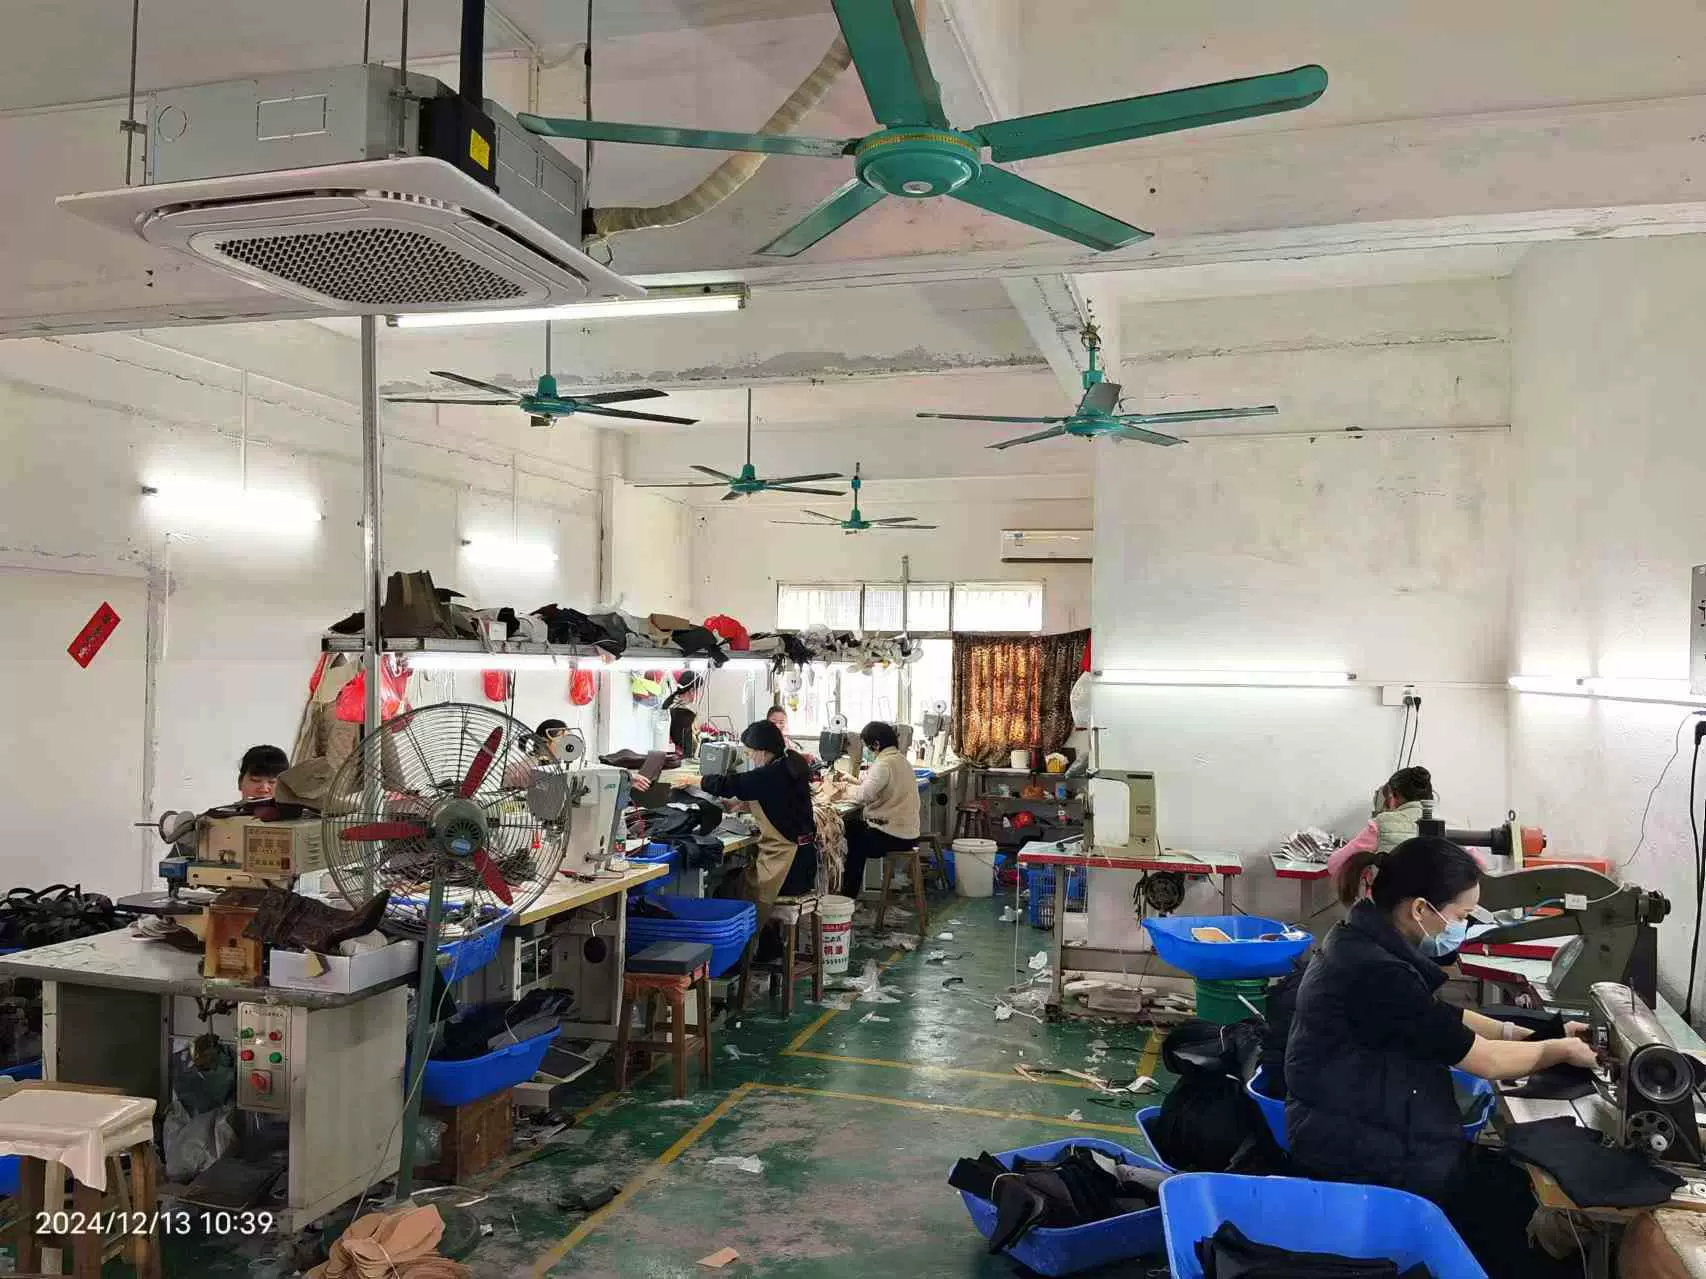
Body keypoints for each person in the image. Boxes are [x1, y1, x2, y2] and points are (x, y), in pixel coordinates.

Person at [1286, 837, 1599, 1278]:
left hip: (1360, 1120)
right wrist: (1558, 1050)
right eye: (1461, 916)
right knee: (1522, 1221)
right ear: (1420, 909)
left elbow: (1436, 1016)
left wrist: (1527, 1034)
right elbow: (1486, 1062)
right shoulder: (1377, 972)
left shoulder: (1362, 939)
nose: (1462, 927)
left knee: (1511, 1189)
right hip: (1363, 1151)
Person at [697, 719, 819, 930]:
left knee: (730, 887)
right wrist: (740, 805)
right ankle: (768, 942)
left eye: (749, 752)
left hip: (788, 869)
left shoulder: (770, 774)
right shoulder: (787, 765)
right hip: (805, 864)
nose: (749, 757)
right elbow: (778, 803)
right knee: (737, 879)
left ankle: (743, 945)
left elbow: (729, 784)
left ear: (762, 751)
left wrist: (694, 781)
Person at [831, 721, 921, 897]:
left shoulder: (884, 764)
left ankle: (847, 896)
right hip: (908, 834)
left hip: (893, 837)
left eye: (867, 746)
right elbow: (878, 787)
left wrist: (843, 790)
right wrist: (853, 781)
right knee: (854, 829)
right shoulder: (901, 760)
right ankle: (848, 894)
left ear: (877, 744)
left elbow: (864, 795)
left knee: (848, 835)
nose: (867, 750)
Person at [1327, 765, 1439, 900]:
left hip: (1385, 907)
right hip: (1426, 908)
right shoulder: (1441, 826)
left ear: (1393, 796)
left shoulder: (1382, 823)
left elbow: (1335, 864)